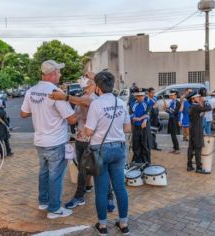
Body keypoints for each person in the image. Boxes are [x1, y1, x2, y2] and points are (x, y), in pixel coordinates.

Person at [49, 73, 116, 213]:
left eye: (88, 85)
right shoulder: (82, 98)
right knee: (82, 170)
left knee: (101, 170)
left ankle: (108, 197)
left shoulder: (96, 99)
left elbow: (86, 102)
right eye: (84, 87)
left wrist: (65, 98)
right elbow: (76, 116)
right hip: (80, 139)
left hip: (93, 141)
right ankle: (83, 193)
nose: (85, 88)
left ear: (95, 86)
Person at [20, 60, 77, 219]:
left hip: (40, 141)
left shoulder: (31, 91)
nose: (60, 74)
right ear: (52, 74)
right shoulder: (55, 92)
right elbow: (72, 119)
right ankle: (54, 209)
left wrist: (40, 111)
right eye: (59, 72)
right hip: (55, 142)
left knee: (44, 173)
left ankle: (43, 201)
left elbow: (23, 114)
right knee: (55, 176)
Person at [84, 71, 131, 236]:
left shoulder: (96, 104)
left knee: (101, 190)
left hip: (100, 150)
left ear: (97, 87)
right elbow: (127, 128)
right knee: (120, 188)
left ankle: (103, 226)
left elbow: (89, 131)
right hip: (119, 148)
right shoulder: (121, 102)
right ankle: (123, 224)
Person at [186, 91, 212, 174]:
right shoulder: (196, 106)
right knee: (198, 148)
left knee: (191, 147)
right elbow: (209, 108)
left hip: (192, 128)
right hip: (197, 129)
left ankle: (189, 165)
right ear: (193, 99)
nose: (199, 98)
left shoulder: (191, 106)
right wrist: (205, 101)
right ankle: (199, 167)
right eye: (197, 97)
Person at [130, 88, 151, 164]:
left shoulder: (147, 104)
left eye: (141, 96)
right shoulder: (132, 104)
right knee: (136, 144)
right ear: (136, 96)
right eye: (138, 96)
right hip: (136, 127)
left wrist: (142, 120)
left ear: (144, 96)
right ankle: (137, 162)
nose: (140, 97)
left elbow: (147, 114)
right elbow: (131, 115)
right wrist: (135, 118)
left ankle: (146, 162)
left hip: (144, 127)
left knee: (145, 144)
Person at [164, 90, 181, 154]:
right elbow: (170, 112)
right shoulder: (171, 102)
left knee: (174, 134)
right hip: (170, 119)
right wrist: (166, 109)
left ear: (175, 95)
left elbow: (175, 112)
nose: (171, 96)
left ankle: (177, 148)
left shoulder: (177, 103)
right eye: (170, 95)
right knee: (171, 134)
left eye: (172, 95)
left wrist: (168, 108)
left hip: (175, 119)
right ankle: (175, 148)